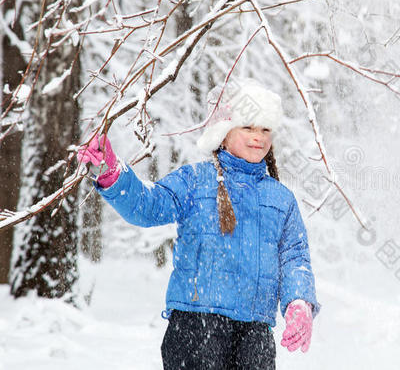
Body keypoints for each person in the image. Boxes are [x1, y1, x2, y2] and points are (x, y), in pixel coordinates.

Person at [77, 78, 321, 369]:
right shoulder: (194, 181)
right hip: (196, 325)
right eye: (248, 126)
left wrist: (299, 301)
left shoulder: (281, 198)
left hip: (254, 333)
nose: (258, 136)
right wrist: (112, 173)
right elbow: (148, 206)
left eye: (265, 129)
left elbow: (295, 257)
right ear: (223, 132)